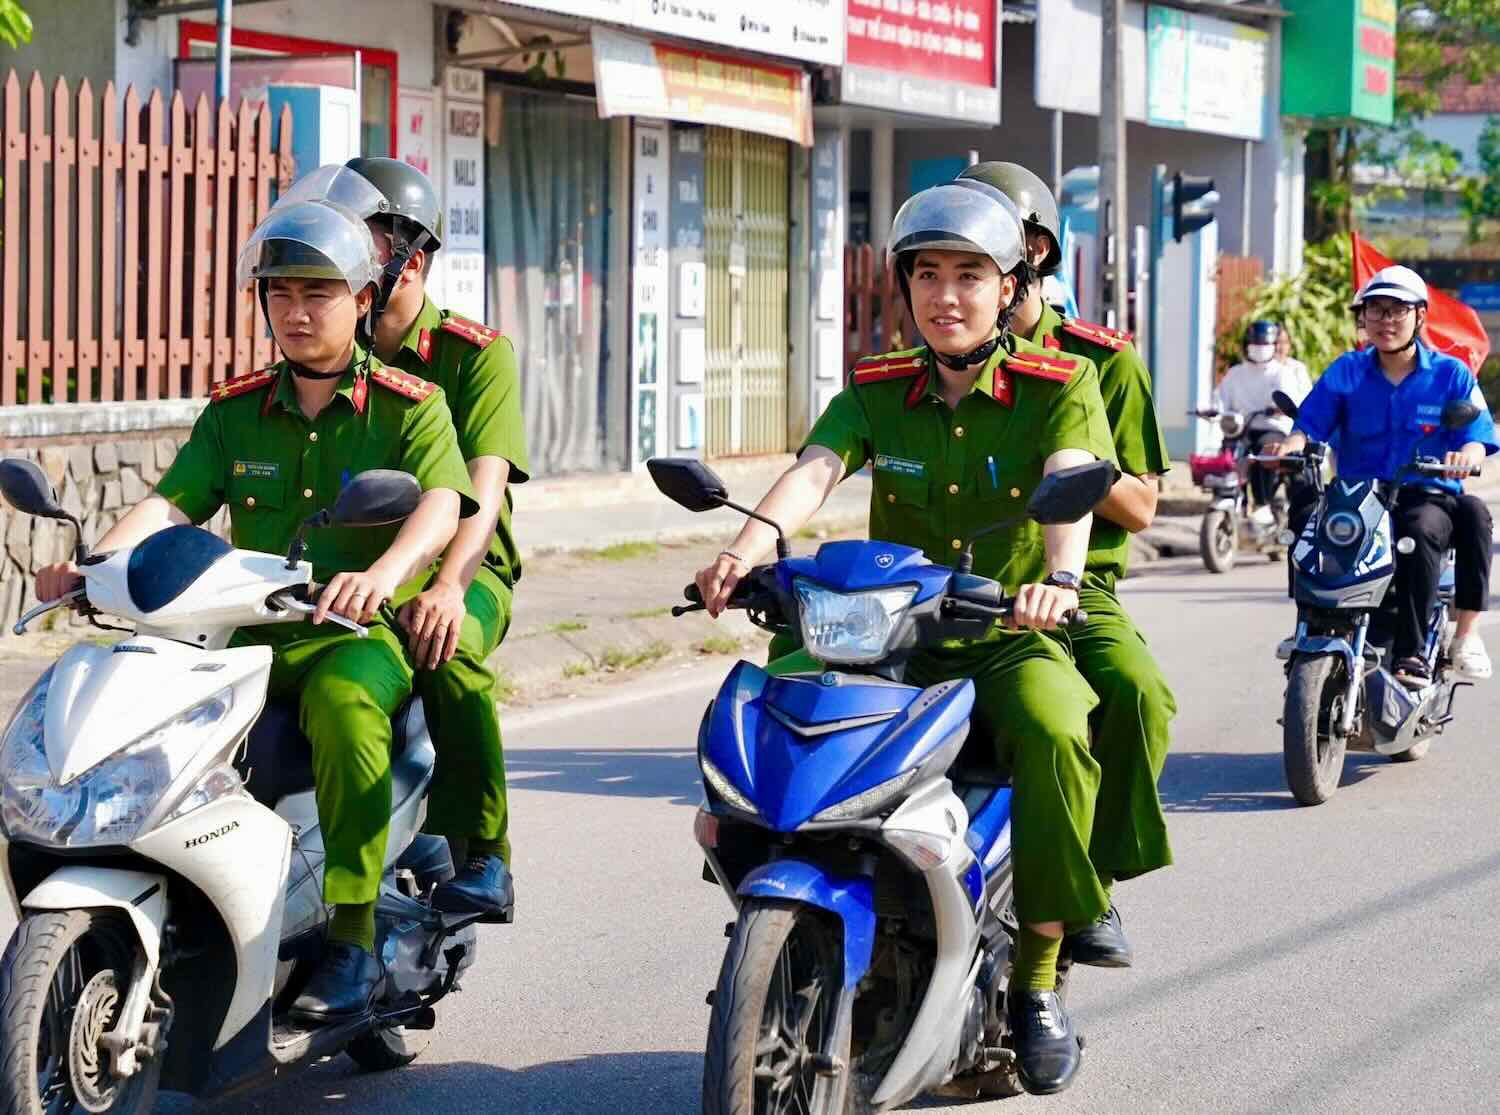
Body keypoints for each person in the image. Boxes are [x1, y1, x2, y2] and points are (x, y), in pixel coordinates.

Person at [694, 180, 1116, 1095]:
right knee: (757, 722)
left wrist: (1059, 580)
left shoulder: (1061, 382)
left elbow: (1073, 475)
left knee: (1053, 728)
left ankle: (1039, 984)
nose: (947, 295)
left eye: (970, 275)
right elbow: (814, 470)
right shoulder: (879, 386)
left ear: (1009, 287)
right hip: (885, 634)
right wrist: (744, 549)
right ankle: (776, 923)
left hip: (999, 629)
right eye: (928, 274)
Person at [37, 197, 478, 1022]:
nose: (297, 312)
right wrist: (93, 561)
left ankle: (351, 934)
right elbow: (172, 505)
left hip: (352, 635)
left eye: (318, 294)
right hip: (246, 632)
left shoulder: (408, 403)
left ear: (361, 300)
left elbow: (442, 504)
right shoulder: (237, 409)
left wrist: (382, 574)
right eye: (280, 294)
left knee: (346, 711)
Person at [957, 160, 1175, 971]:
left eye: (984, 252)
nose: (957, 279)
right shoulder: (936, 355)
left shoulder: (1101, 362)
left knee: (1137, 693)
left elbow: (1146, 506)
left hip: (1069, 590)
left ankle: (1090, 877)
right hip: (950, 591)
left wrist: (1070, 449)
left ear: (1036, 253)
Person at [337, 156, 530, 919]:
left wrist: (450, 585)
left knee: (446, 651)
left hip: (466, 569)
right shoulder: (329, 347)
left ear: (411, 260)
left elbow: (482, 488)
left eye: (368, 242)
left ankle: (487, 852)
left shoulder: (476, 355)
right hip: (357, 567)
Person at [1277, 265, 1497, 686]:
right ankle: (1309, 625)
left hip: (1425, 493)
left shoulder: (1452, 374)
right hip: (1359, 494)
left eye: (1397, 311)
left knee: (1426, 528)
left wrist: (1466, 455)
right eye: (1375, 311)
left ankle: (1421, 650)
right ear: (1363, 318)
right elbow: (1310, 426)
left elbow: (1476, 436)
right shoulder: (1346, 370)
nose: (1385, 321)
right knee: (1306, 510)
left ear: (1420, 317)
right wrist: (1285, 449)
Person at [1214, 320, 1314, 514]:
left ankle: (1263, 502)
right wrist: (1212, 410)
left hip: (1272, 427)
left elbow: (1293, 398)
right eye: (1255, 344)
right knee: (1228, 450)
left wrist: (1278, 409)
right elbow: (1219, 398)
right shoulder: (1235, 373)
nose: (1259, 349)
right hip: (1241, 427)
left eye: (1264, 344)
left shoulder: (1283, 373)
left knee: (1263, 452)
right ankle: (1231, 494)